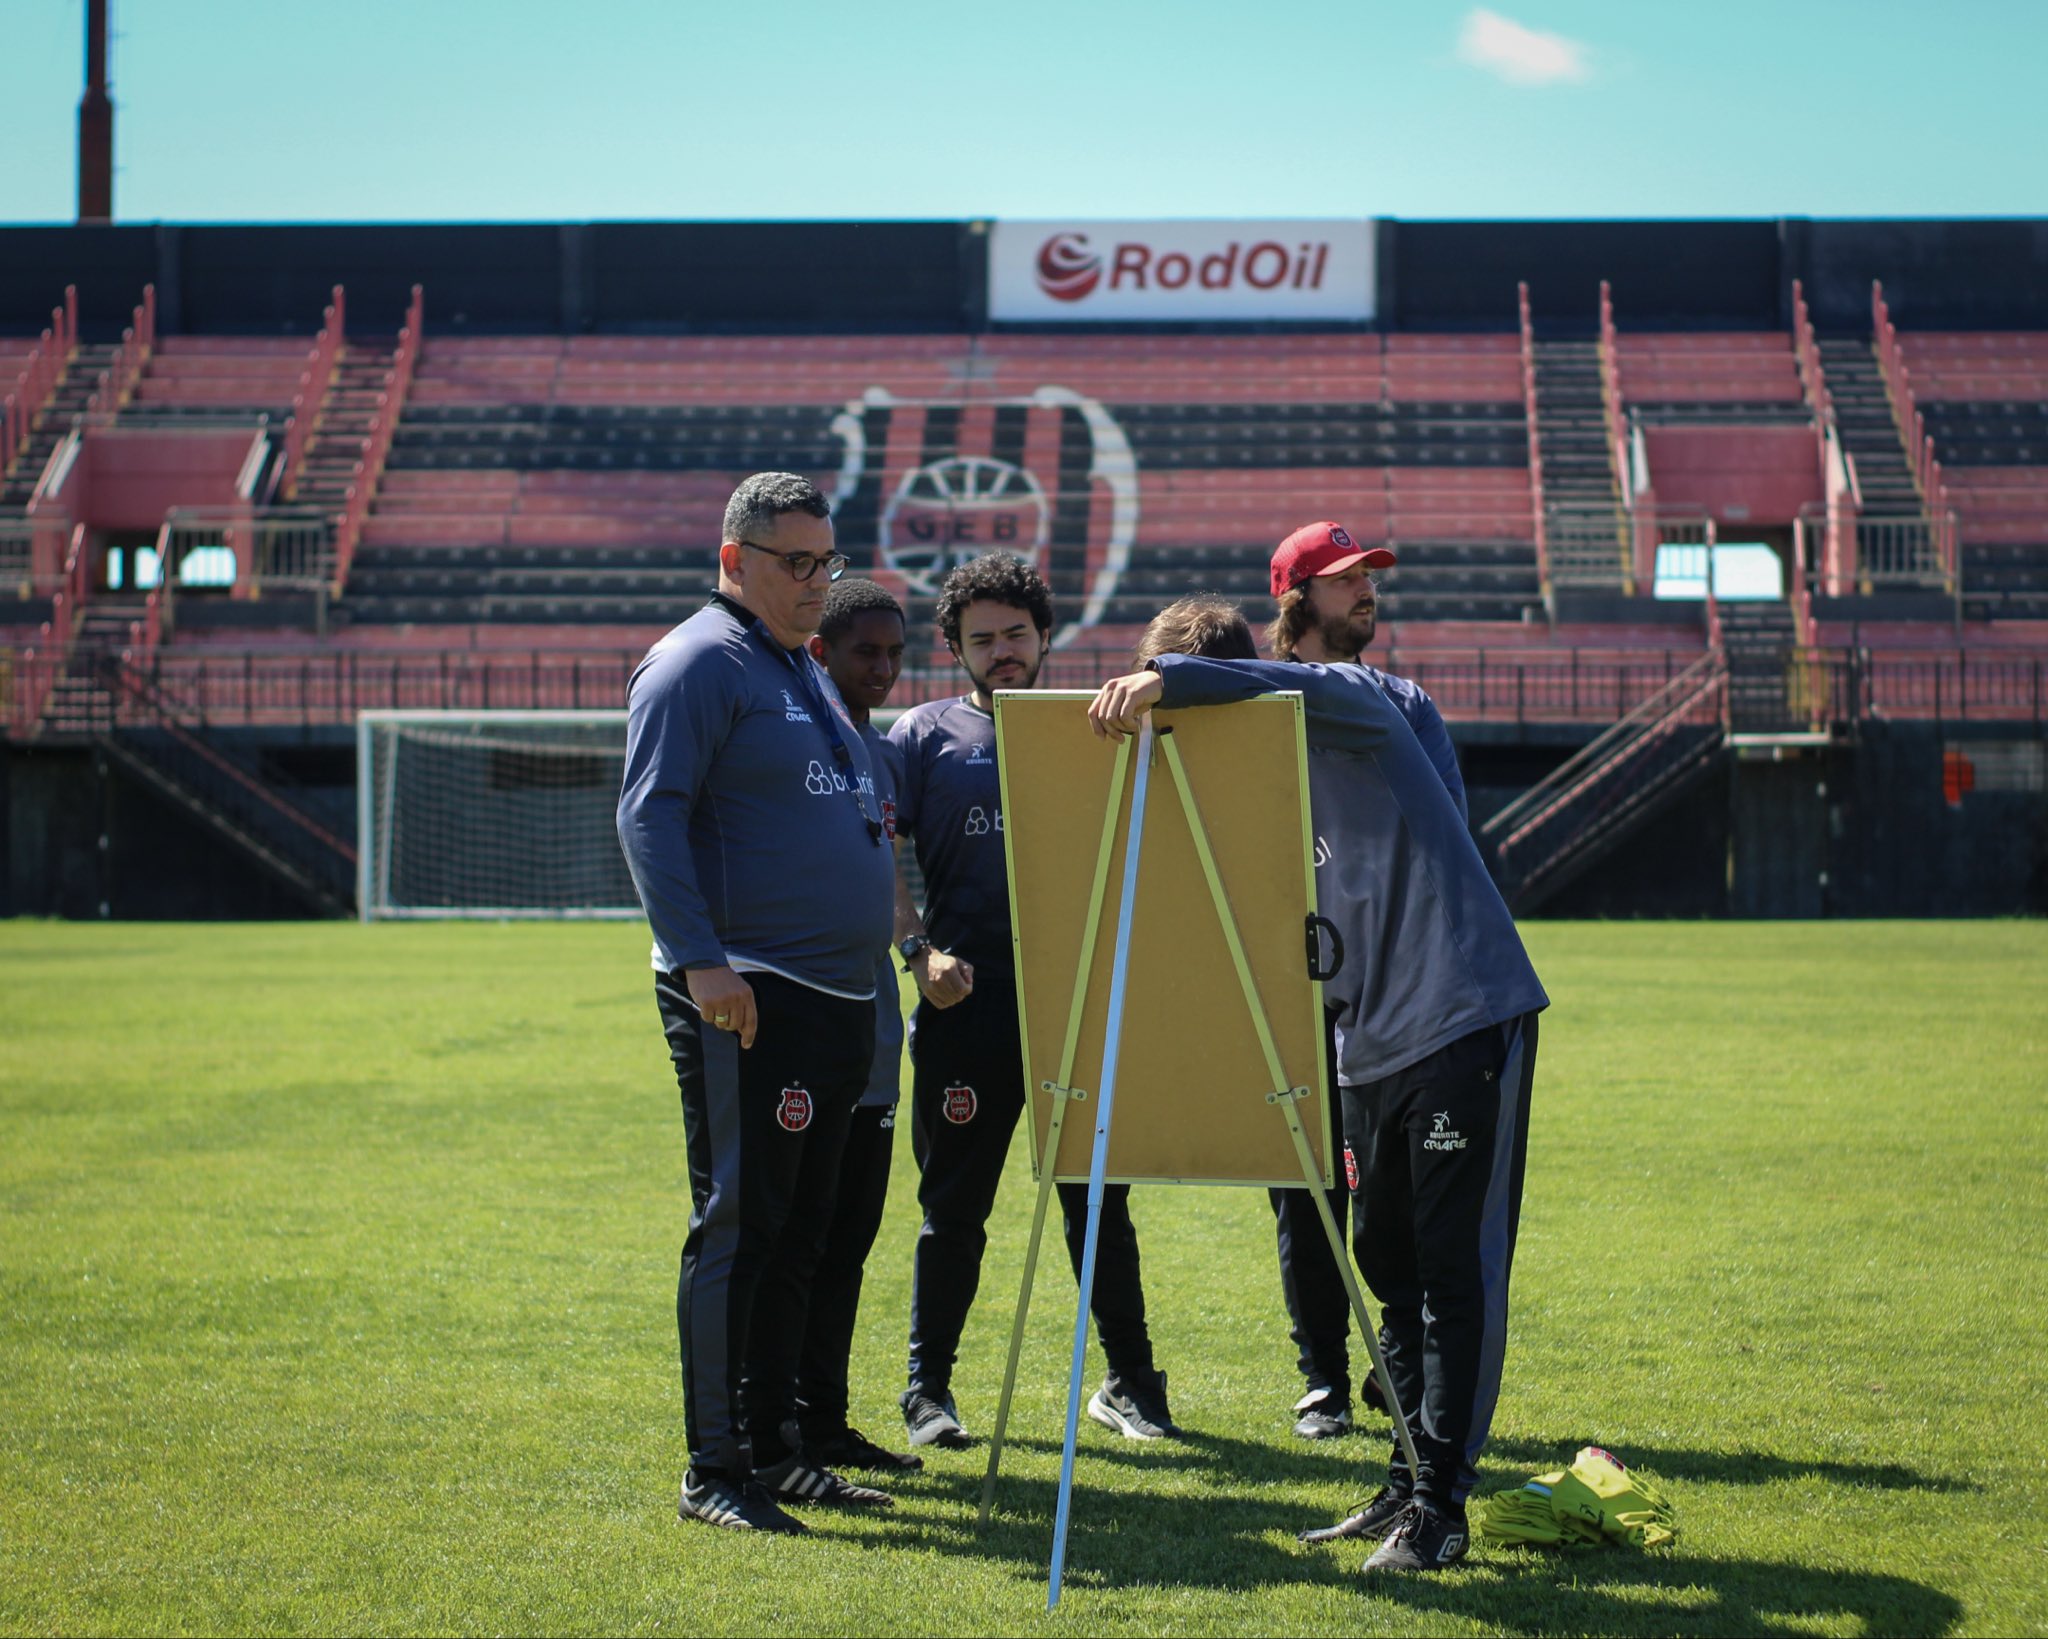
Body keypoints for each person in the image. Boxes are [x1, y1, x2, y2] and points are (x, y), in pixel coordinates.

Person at [1086, 616, 1547, 1576]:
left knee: (1452, 1267)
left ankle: (1441, 1505)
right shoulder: (1244, 795)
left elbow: (1307, 689)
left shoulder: (1345, 706)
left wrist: (1172, 675)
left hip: (1463, 1013)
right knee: (1384, 1257)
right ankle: (1407, 1470)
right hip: (1361, 1046)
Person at [617, 472, 898, 1535]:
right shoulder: (695, 661)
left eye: (825, 561)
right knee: (738, 1225)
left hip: (833, 995)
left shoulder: (800, 665)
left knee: (798, 1231)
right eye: (794, 563)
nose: (815, 582)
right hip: (749, 994)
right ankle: (713, 1468)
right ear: (733, 561)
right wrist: (702, 962)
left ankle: (779, 1451)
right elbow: (649, 817)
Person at [889, 551, 1179, 1450]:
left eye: (1017, 633)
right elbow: (874, 854)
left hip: (1079, 1007)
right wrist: (917, 951)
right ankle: (925, 1390)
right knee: (954, 1208)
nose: (1003, 651)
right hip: (964, 1009)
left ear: (1046, 635)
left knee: (1099, 1202)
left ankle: (1133, 1384)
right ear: (955, 649)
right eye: (983, 639)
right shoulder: (920, 735)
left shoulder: (1093, 724)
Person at [1259, 522, 1468, 1443]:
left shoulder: (1405, 701)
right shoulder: (1256, 707)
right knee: (1304, 1192)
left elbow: (1446, 837)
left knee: (1387, 1205)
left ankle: (1399, 1363)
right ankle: (1322, 1379)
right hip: (1285, 981)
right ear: (1296, 599)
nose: (1366, 592)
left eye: (1369, 577)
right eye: (1344, 580)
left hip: (1384, 989)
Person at [792, 577, 923, 1475]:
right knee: (799, 1240)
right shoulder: (802, 744)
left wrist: (919, 954)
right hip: (809, 1031)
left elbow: (886, 889)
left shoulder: (875, 756)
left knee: (848, 1245)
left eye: (893, 653)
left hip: (875, 1042)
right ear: (821, 652)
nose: (881, 668)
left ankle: (827, 1422)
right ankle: (781, 1427)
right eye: (863, 652)